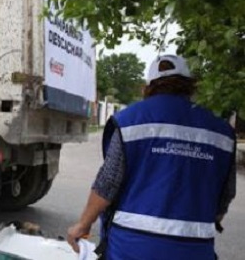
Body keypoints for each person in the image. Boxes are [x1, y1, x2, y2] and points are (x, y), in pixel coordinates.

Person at [67, 54, 237, 260]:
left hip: (131, 248)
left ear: (148, 86)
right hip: (194, 250)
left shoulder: (131, 120)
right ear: (190, 85)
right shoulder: (221, 131)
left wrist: (83, 224)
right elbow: (225, 195)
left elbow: (108, 182)